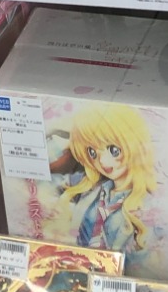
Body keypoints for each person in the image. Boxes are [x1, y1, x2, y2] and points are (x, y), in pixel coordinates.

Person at [53, 102, 158, 253]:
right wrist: (65, 143)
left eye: (113, 150)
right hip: (80, 263)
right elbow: (38, 182)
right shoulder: (90, 187)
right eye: (92, 153)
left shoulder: (149, 203)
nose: (102, 162)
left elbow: (149, 259)